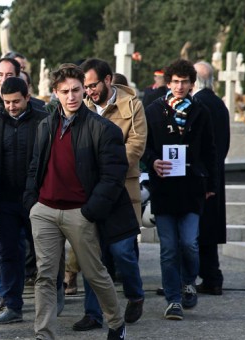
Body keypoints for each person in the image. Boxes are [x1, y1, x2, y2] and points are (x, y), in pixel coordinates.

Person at [23, 63, 133, 340]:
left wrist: (90, 211)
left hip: (80, 212)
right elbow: (36, 166)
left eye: (76, 90)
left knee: (95, 273)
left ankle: (117, 323)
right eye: (64, 91)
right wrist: (32, 203)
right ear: (55, 93)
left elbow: (113, 176)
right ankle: (44, 334)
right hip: (45, 210)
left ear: (84, 89)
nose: (71, 96)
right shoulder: (46, 125)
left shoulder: (102, 128)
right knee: (46, 276)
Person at [69, 58, 146, 332]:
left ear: (108, 80)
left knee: (123, 251)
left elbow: (136, 145)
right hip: (92, 193)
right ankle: (93, 313)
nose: (89, 91)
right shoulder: (81, 108)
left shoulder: (132, 106)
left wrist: (107, 164)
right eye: (85, 86)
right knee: (92, 254)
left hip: (122, 189)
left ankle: (135, 294)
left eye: (92, 85)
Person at [142, 59, 217, 320]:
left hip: (192, 188)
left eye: (184, 81)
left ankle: (188, 281)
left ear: (192, 84)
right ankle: (173, 299)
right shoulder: (153, 110)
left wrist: (211, 184)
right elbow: (145, 146)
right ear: (168, 82)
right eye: (175, 81)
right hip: (164, 189)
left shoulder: (201, 111)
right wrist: (153, 161)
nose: (179, 86)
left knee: (189, 243)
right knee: (169, 248)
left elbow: (210, 150)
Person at [0, 77, 48, 325]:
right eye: (7, 101)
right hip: (6, 201)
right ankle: (12, 304)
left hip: (37, 199)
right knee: (8, 253)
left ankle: (53, 299)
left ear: (27, 96)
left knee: (45, 253)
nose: (11, 106)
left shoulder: (43, 121)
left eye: (16, 101)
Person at [193, 61, 230, 296]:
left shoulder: (198, 104)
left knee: (199, 229)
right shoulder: (219, 104)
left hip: (201, 175)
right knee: (208, 229)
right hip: (215, 173)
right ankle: (212, 276)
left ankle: (209, 277)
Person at [0, 57, 46, 126]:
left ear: (17, 76)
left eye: (9, 75)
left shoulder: (38, 107)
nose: (4, 79)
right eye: (0, 75)